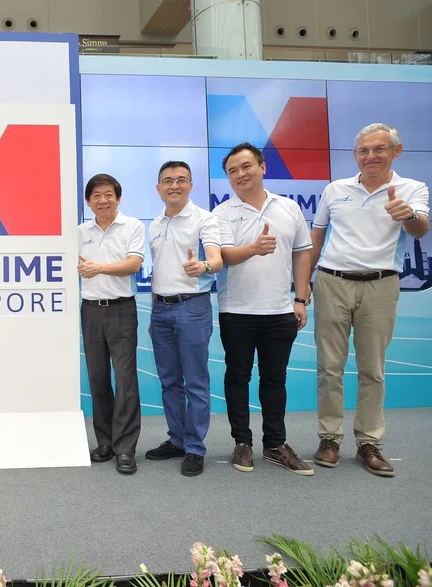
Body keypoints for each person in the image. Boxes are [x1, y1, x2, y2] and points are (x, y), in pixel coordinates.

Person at [310, 123, 430, 477]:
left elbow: (421, 228)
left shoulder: (412, 189)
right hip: (332, 282)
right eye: (363, 150)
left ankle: (369, 443)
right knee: (329, 368)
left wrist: (408, 214)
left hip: (380, 285)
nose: (371, 156)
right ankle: (329, 438)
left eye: (379, 149)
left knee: (372, 370)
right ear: (355, 155)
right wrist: (302, 289)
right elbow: (316, 238)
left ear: (396, 151)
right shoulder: (335, 189)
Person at [213, 143, 314, 476]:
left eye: (246, 167)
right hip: (236, 311)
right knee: (237, 377)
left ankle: (275, 444)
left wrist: (300, 299)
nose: (240, 175)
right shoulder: (221, 213)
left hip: (280, 310)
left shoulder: (289, 208)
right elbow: (224, 256)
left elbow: (302, 253)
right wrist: (254, 248)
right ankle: (242, 442)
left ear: (262, 167)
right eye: (232, 171)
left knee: (274, 380)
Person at [144, 161, 222, 477]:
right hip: (160, 309)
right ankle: (177, 440)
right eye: (167, 180)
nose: (174, 185)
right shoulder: (154, 224)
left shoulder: (205, 218)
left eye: (181, 179)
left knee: (196, 382)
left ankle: (194, 448)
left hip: (192, 307)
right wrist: (155, 310)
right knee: (169, 381)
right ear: (158, 188)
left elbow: (216, 259)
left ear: (190, 185)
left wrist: (204, 266)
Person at [77, 174, 145, 475]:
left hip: (121, 310)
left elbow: (134, 264)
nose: (102, 200)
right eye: (96, 195)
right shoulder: (80, 231)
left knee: (126, 379)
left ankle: (125, 448)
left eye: (108, 195)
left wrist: (98, 268)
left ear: (118, 198)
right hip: (91, 311)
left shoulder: (133, 226)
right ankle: (105, 442)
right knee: (98, 378)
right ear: (88, 201)